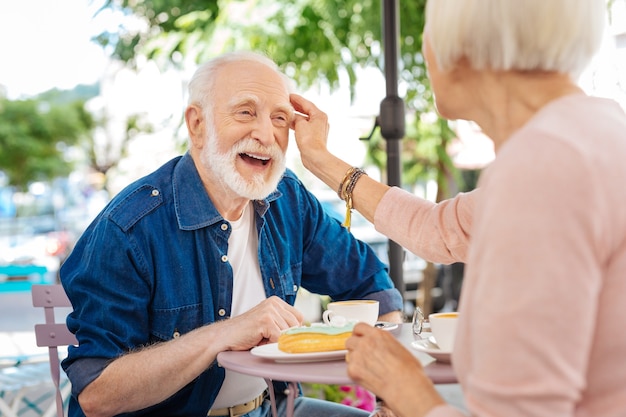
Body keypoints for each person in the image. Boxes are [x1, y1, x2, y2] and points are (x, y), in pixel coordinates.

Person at [289, 0, 626, 416]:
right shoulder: (596, 135)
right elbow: (437, 229)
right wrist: (320, 159)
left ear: (462, 47)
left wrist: (408, 391)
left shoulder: (543, 166)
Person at [60, 51, 403, 417]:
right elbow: (97, 393)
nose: (266, 134)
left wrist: (387, 394)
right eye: (245, 112)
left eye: (280, 118)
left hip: (274, 407)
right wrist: (225, 333)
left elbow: (371, 285)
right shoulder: (128, 227)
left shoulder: (288, 199)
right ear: (197, 125)